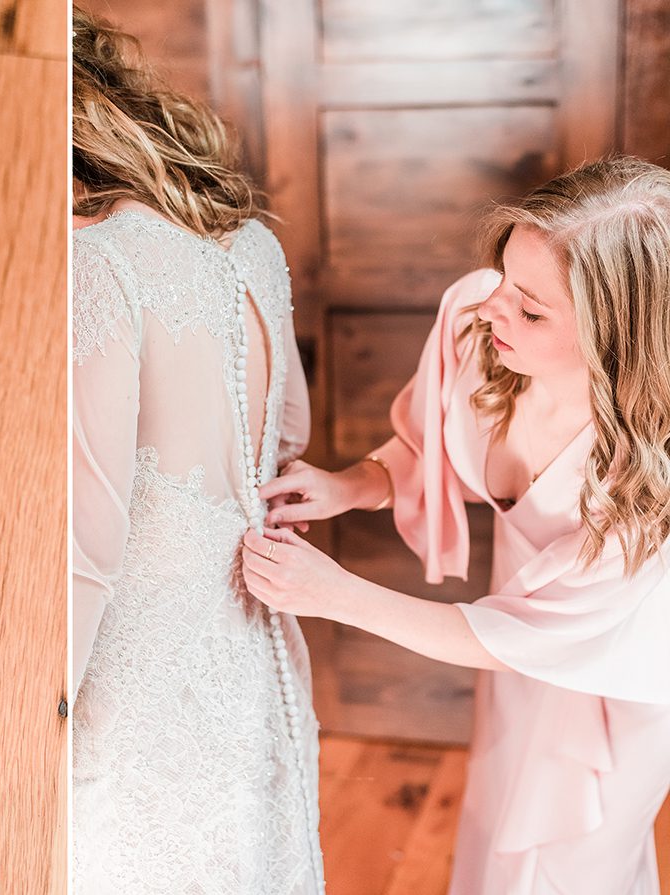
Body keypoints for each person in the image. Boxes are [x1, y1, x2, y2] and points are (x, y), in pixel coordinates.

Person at [245, 155, 670, 894]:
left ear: (617, 338)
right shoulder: (482, 327)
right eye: (505, 277)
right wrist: (349, 486)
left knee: (573, 863)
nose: (495, 308)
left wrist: (335, 593)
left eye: (532, 309)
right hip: (514, 636)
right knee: (493, 819)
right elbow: (424, 442)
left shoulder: (646, 488)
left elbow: (517, 640)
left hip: (614, 676)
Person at [71, 7, 323, 893]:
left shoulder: (99, 259)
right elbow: (288, 436)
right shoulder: (254, 245)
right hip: (248, 630)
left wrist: (43, 705)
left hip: (137, 655)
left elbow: (90, 532)